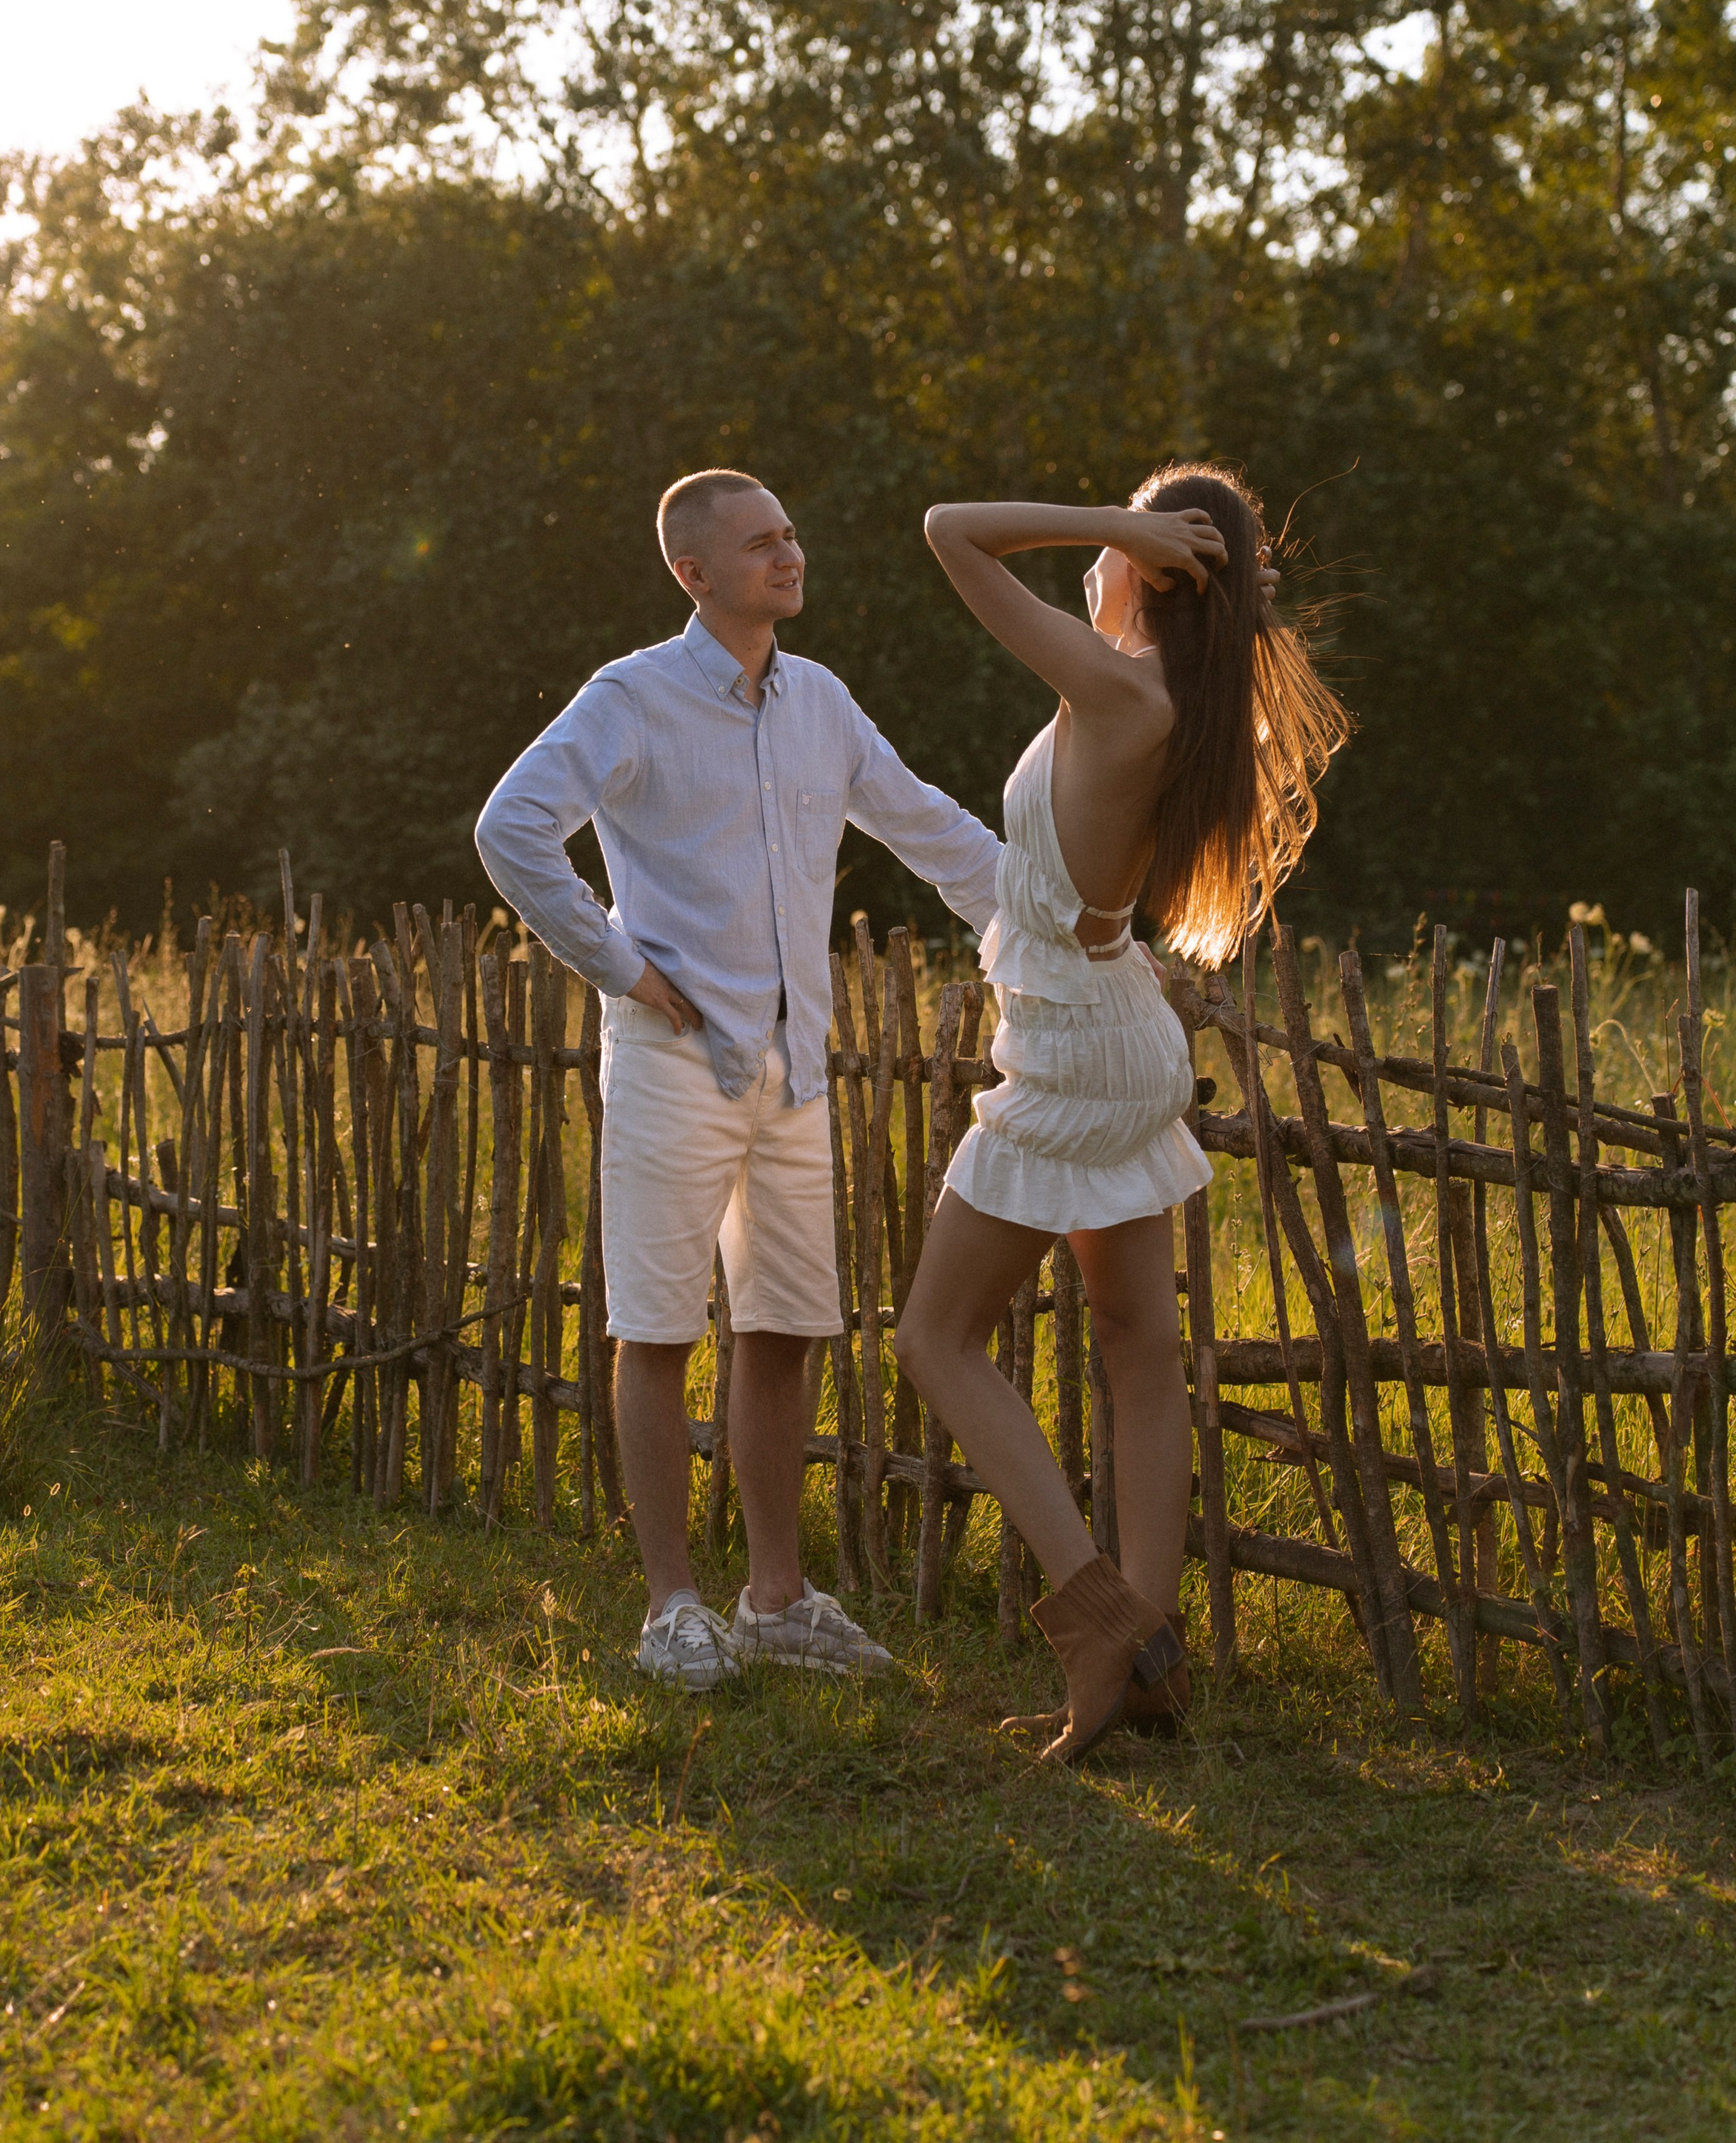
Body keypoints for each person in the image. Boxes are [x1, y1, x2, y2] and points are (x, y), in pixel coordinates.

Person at [475, 470, 1001, 1691]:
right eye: (761, 543)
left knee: (787, 1326)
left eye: (792, 534)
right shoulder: (634, 697)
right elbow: (513, 829)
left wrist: (1052, 916)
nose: (789, 554)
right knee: (656, 1328)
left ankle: (775, 1598)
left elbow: (930, 830)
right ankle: (673, 1608)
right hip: (672, 1059)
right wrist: (620, 966)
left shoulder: (820, 702)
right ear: (692, 572)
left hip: (794, 1067)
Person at [894, 464, 1349, 1762]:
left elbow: (949, 527)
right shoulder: (1165, 696)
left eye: (1116, 547)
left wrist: (1115, 524)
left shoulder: (1119, 686)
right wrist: (1132, 537)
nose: (1088, 565)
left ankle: (1101, 1628)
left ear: (1150, 567)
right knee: (1139, 1350)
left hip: (1071, 1050)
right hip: (1113, 1017)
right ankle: (1148, 1655)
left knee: (934, 1337)